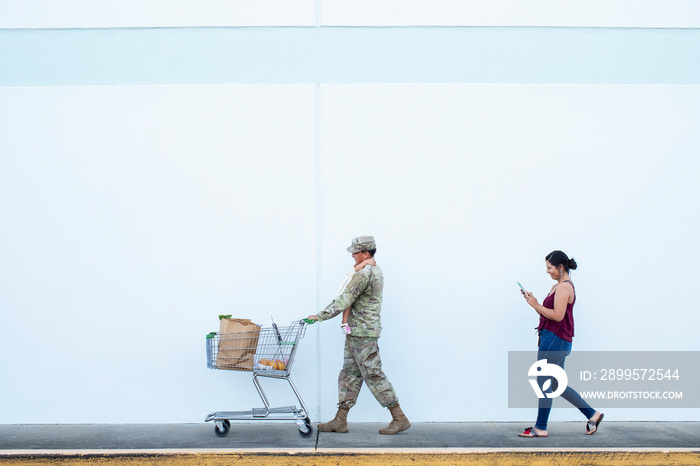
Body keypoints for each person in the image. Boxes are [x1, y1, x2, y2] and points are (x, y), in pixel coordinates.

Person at [307, 235, 410, 435]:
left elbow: (345, 298)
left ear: (366, 252)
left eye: (355, 252)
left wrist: (320, 316)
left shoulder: (364, 274)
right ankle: (340, 420)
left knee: (372, 373)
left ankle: (399, 417)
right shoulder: (372, 270)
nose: (353, 255)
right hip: (358, 332)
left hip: (363, 333)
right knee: (349, 374)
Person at [518, 250, 604, 437]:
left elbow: (557, 316)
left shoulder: (565, 287)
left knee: (543, 381)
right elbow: (547, 315)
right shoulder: (556, 287)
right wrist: (534, 303)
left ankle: (540, 427)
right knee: (556, 384)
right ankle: (592, 414)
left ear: (560, 267)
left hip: (555, 339)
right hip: (553, 338)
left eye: (550, 268)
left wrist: (535, 305)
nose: (547, 271)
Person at [339, 257, 376, 335]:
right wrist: (366, 262)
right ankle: (344, 322)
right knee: (348, 303)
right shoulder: (360, 264)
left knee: (351, 304)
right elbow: (356, 269)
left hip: (355, 284)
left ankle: (346, 322)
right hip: (350, 284)